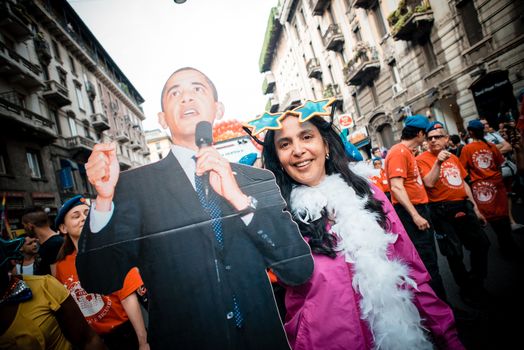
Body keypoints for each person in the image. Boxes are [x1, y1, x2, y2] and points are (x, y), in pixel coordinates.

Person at [77, 67, 313, 349]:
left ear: (218, 108)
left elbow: (298, 268)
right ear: (162, 119)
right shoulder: (133, 187)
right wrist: (103, 201)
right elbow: (98, 278)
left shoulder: (256, 180)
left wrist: (239, 200)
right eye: (175, 93)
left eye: (197, 89)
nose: (186, 98)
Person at [259, 109, 463, 349]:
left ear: (325, 146)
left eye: (306, 137)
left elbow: (411, 268)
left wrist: (448, 336)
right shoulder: (278, 216)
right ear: (278, 159)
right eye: (285, 144)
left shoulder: (368, 193)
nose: (298, 150)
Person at [53, 195, 149, 350]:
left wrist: (143, 342)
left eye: (87, 213)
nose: (83, 218)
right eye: (76, 216)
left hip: (123, 335)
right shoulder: (62, 265)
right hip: (92, 340)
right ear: (63, 228)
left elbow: (128, 298)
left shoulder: (111, 252)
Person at [416, 121, 491, 307]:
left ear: (446, 139)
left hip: (463, 206)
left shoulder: (454, 157)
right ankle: (466, 288)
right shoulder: (422, 159)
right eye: (430, 138)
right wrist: (438, 162)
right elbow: (429, 183)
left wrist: (475, 208)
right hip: (441, 211)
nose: (433, 141)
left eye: (438, 137)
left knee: (482, 244)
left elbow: (464, 183)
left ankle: (476, 280)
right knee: (453, 253)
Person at [0, 236, 106, 349]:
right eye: (30, 243)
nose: (34, 245)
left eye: (35, 241)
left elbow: (87, 339)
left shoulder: (45, 285)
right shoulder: (21, 268)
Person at [384, 115, 447, 300]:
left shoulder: (408, 153)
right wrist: (415, 215)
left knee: (431, 260)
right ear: (419, 133)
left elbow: (425, 182)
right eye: (426, 134)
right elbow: (396, 187)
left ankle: (443, 306)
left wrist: (438, 163)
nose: (428, 139)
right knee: (427, 263)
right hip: (412, 212)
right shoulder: (398, 152)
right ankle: (443, 310)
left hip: (420, 209)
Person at [460, 119, 520, 257]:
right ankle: (508, 243)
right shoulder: (492, 146)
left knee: (493, 217)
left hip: (481, 187)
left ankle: (506, 245)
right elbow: (500, 164)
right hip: (497, 184)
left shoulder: (467, 149)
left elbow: (462, 169)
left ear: (470, 132)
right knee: (503, 215)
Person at [21, 207, 64, 275]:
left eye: (24, 226)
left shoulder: (54, 245)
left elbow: (57, 278)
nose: (24, 229)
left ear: (30, 226)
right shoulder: (46, 243)